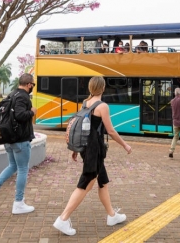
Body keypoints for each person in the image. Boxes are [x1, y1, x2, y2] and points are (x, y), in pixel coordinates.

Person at [53, 76, 132, 236]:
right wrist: (125, 145)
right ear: (103, 88)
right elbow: (110, 130)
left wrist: (76, 148)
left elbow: (81, 127)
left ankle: (111, 216)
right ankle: (63, 218)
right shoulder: (102, 106)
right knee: (86, 183)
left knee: (102, 181)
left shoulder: (85, 103)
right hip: (94, 150)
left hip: (87, 148)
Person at [0, 73, 37, 214]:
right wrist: (32, 112)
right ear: (29, 84)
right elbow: (20, 115)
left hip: (8, 139)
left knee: (13, 166)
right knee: (23, 169)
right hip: (20, 140)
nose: (32, 87)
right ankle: (18, 203)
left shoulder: (12, 94)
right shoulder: (23, 96)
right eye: (33, 85)